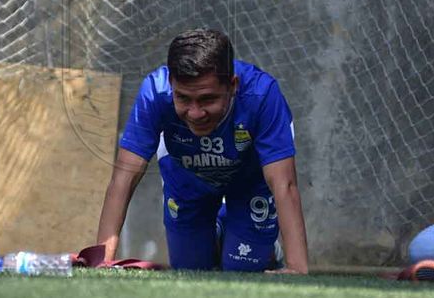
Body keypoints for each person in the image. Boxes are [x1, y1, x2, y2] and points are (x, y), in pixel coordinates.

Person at [96, 29, 310, 273]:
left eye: (207, 99)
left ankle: (267, 248)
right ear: (171, 85)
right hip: (186, 179)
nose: (195, 113)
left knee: (241, 270)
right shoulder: (155, 93)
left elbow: (284, 184)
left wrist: (297, 267)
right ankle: (218, 229)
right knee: (191, 272)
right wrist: (101, 259)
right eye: (183, 98)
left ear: (233, 86)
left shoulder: (262, 95)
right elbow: (124, 177)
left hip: (250, 183)